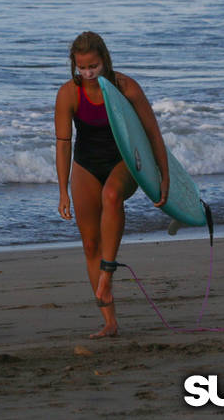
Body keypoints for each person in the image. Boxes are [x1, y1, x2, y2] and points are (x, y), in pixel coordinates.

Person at [54, 32, 170, 339]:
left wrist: (165, 176)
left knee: (112, 195)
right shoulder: (68, 94)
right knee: (90, 244)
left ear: (104, 59)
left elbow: (153, 134)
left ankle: (107, 272)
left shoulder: (125, 87)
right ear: (74, 65)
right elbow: (63, 145)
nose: (89, 73)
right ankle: (110, 322)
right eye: (82, 68)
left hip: (125, 162)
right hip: (86, 164)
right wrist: (62, 190)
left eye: (94, 66)